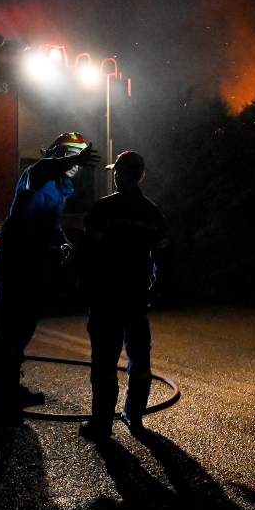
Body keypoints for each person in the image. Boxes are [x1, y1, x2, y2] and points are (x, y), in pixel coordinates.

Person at [0, 132, 100, 423]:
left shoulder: (62, 186)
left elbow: (48, 222)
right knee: (11, 328)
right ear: (56, 153)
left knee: (22, 327)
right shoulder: (37, 172)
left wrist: (62, 242)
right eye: (71, 152)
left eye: (80, 153)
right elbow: (46, 168)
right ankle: (0, 399)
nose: (77, 159)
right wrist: (76, 159)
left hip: (31, 264)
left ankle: (11, 389)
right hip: (14, 260)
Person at [75, 151, 169, 442]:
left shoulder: (104, 209)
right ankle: (134, 417)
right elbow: (163, 256)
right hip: (136, 297)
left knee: (104, 361)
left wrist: (83, 286)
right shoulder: (152, 212)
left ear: (119, 175)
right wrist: (156, 287)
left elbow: (86, 253)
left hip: (105, 297)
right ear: (141, 175)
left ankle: (101, 425)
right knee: (140, 359)